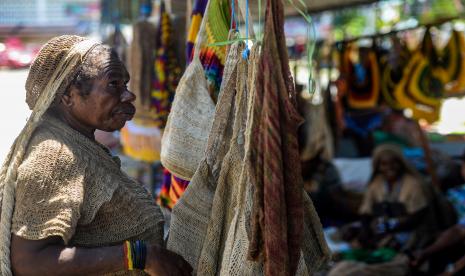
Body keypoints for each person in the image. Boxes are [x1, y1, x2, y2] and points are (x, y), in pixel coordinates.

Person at [0, 36, 192, 275]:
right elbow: (30, 263)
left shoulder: (76, 141)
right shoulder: (56, 155)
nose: (128, 96)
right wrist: (142, 256)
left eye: (126, 84)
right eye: (114, 84)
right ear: (68, 95)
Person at [358, 144, 435, 251]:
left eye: (393, 163)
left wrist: (392, 224)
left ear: (400, 163)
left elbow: (418, 216)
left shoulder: (412, 184)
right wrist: (365, 230)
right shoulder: (376, 183)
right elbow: (366, 211)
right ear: (378, 166)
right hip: (384, 227)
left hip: (410, 231)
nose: (389, 168)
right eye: (384, 164)